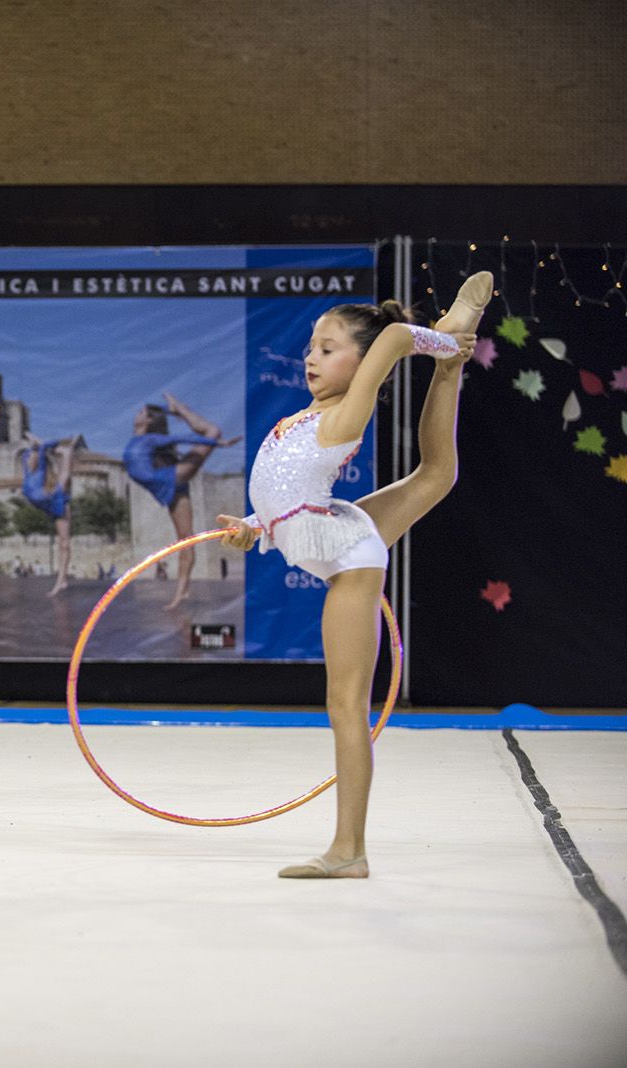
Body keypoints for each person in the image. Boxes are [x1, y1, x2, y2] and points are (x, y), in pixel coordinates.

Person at [218, 272, 490, 879]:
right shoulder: (303, 419)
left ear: (364, 365)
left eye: (329, 347)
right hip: (327, 524)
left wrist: (441, 341)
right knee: (436, 476)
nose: (311, 356)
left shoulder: (345, 416)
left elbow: (393, 336)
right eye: (311, 346)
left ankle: (349, 851)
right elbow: (288, 494)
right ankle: (451, 370)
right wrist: (252, 526)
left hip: (348, 551)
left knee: (345, 703)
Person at [123, 395, 242, 608]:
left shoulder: (149, 439)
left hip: (171, 477)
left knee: (213, 431)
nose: (137, 414)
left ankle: (181, 408)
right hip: (168, 486)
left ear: (149, 421)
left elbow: (182, 439)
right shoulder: (143, 441)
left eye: (141, 412)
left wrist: (217, 443)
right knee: (185, 540)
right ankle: (183, 591)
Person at [18, 432, 80, 596]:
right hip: (48, 506)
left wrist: (58, 442)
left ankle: (61, 581)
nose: (30, 458)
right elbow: (29, 452)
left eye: (32, 457)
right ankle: (67, 451)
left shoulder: (41, 469)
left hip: (56, 502)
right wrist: (32, 443)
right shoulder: (27, 472)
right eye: (29, 457)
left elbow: (45, 446)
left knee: (64, 543)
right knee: (63, 478)